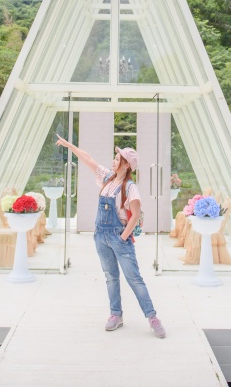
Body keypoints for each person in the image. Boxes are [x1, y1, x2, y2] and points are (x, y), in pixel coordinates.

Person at [55, 134, 166, 339]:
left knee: (134, 279)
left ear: (126, 166)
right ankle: (116, 315)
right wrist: (69, 145)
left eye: (118, 159)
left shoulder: (130, 188)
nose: (114, 161)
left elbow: (135, 214)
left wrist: (123, 237)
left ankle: (152, 318)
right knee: (111, 277)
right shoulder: (107, 178)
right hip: (101, 236)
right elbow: (88, 158)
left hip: (118, 237)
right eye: (115, 158)